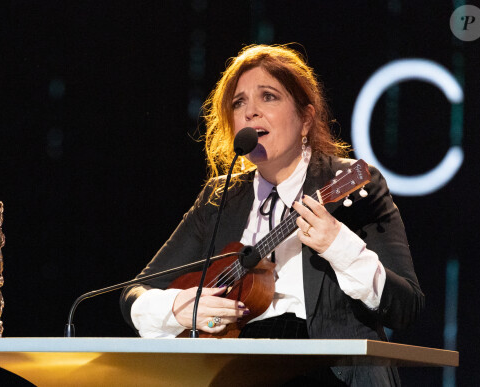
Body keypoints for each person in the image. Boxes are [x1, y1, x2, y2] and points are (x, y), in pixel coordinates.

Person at [120, 44, 424, 386]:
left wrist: (338, 245)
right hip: (235, 368)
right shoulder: (219, 198)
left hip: (331, 373)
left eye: (268, 96)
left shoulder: (346, 183)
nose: (250, 112)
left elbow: (406, 306)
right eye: (239, 103)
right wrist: (177, 309)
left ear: (306, 118)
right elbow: (136, 293)